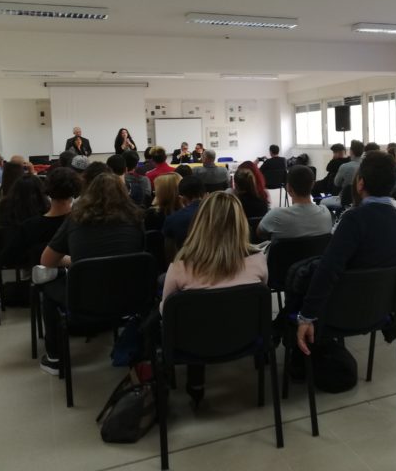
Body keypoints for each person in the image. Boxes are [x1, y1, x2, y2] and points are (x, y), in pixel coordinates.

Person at [293, 151, 396, 357]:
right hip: (380, 312)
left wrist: (307, 316)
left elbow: (329, 269)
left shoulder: (353, 220)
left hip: (341, 312)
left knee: (304, 273)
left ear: (360, 183)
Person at [160, 192, 267, 405]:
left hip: (191, 344)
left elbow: (166, 313)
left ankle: (195, 383)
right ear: (241, 224)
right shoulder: (258, 261)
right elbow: (258, 300)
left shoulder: (179, 267)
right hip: (243, 338)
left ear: (200, 223)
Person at [39, 173, 145, 374]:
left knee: (48, 287)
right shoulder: (137, 219)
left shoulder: (74, 219)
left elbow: (47, 261)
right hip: (130, 300)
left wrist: (74, 261)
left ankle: (55, 358)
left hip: (84, 301)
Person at [258, 165, 333, 240]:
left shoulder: (276, 215)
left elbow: (259, 234)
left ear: (288, 188)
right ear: (313, 185)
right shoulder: (326, 213)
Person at [163, 176, 206, 248]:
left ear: (181, 198)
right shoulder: (218, 212)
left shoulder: (172, 219)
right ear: (204, 193)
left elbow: (169, 249)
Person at [320, 140, 364, 209]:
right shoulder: (366, 165)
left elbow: (336, 183)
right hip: (362, 198)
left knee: (322, 202)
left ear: (351, 151)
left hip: (345, 199)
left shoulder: (344, 166)